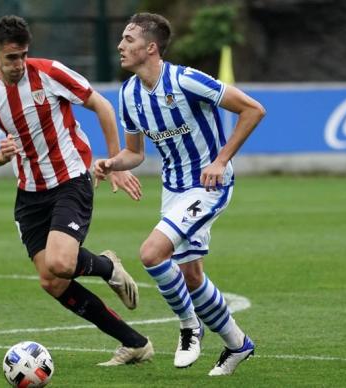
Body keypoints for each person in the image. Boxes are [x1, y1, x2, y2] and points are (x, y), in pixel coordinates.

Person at [0, 15, 153, 366]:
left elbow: (103, 106)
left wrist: (113, 162)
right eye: (10, 58)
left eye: (22, 55)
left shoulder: (50, 72)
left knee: (62, 262)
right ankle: (135, 343)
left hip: (70, 178)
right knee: (51, 281)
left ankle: (107, 267)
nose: (18, 64)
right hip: (29, 192)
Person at [94, 13, 266, 376]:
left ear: (150, 47)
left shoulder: (186, 80)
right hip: (172, 190)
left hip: (207, 185)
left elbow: (253, 110)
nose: (120, 46)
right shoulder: (128, 94)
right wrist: (111, 164)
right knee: (190, 276)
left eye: (128, 39)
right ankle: (238, 345)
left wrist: (220, 161)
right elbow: (136, 153)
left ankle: (189, 326)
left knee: (151, 253)